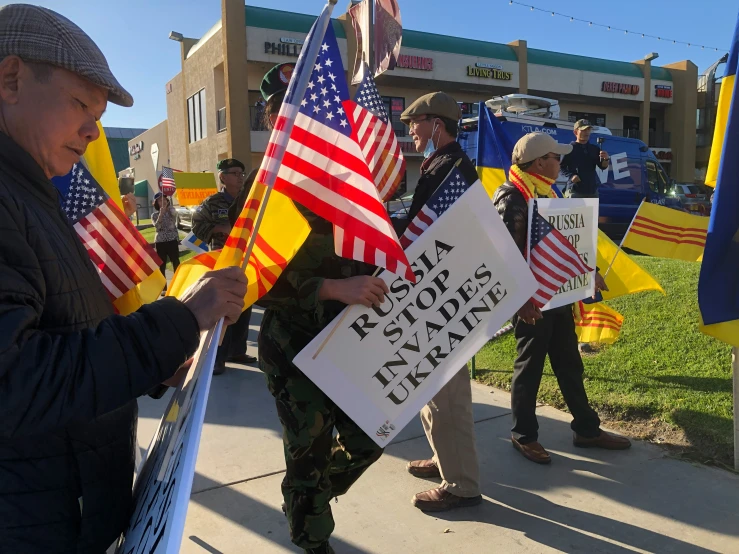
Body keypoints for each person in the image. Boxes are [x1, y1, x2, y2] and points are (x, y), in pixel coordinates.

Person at [0, 5, 248, 552]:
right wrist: (176, 321)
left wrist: (156, 365)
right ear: (11, 79)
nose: (93, 130)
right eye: (81, 105)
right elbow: (15, 380)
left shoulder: (31, 191)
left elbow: (67, 332)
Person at [257, 62, 385, 554]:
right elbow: (254, 286)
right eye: (287, 108)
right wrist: (331, 288)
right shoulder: (268, 188)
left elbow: (369, 249)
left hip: (349, 342)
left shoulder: (345, 181)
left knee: (370, 438)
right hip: (294, 348)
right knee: (307, 454)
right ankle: (311, 534)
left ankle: (304, 499)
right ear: (273, 118)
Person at [492, 132, 631, 465]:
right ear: (540, 162)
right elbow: (504, 255)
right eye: (557, 158)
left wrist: (589, 271)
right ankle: (523, 435)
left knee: (570, 365)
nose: (561, 163)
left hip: (559, 296)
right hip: (533, 302)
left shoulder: (549, 193)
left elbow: (571, 244)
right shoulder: (512, 197)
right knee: (529, 369)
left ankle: (586, 429)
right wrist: (521, 302)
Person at [398, 91, 482, 512]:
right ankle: (443, 459)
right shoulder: (441, 166)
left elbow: (435, 232)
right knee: (432, 390)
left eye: (416, 122)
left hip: (444, 296)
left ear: (438, 124)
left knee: (447, 394)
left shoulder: (453, 170)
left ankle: (462, 484)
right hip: (436, 294)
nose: (411, 129)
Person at [192, 157, 257, 372]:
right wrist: (220, 229)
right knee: (223, 309)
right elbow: (197, 225)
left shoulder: (248, 200)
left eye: (242, 174)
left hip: (247, 259)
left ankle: (237, 350)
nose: (240, 178)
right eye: (235, 174)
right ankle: (216, 358)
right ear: (223, 177)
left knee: (243, 306)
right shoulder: (213, 202)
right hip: (223, 260)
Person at [560, 119, 610, 198]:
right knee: (574, 210)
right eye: (583, 130)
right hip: (575, 190)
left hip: (592, 191)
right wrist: (571, 176)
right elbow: (561, 166)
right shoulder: (569, 148)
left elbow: (603, 166)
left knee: (592, 211)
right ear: (575, 132)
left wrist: (606, 159)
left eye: (588, 130)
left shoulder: (594, 149)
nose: (586, 132)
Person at [151, 192, 180, 280]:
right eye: (160, 200)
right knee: (162, 264)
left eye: (164, 199)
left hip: (172, 240)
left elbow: (175, 215)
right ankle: (164, 287)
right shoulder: (154, 215)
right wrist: (161, 214)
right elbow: (157, 226)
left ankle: (177, 283)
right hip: (161, 242)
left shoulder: (171, 212)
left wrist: (169, 208)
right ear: (156, 203)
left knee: (176, 262)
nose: (162, 202)